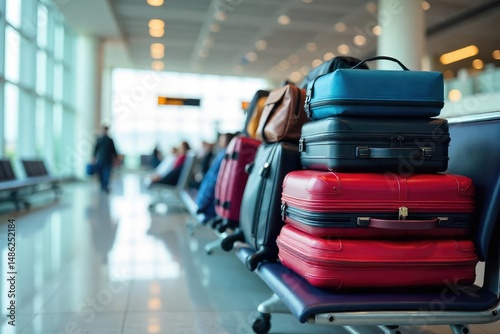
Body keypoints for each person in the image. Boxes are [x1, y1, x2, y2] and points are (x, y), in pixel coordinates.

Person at [195, 132, 236, 223]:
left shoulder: (223, 155)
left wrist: (202, 203)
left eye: (221, 140)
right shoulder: (230, 155)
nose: (219, 142)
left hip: (211, 205)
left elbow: (212, 180)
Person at [93, 125, 118, 193]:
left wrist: (116, 158)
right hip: (100, 159)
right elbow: (95, 149)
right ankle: (102, 186)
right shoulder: (99, 139)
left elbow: (114, 150)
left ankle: (105, 186)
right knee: (101, 173)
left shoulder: (110, 140)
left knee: (106, 173)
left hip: (108, 159)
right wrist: (93, 157)